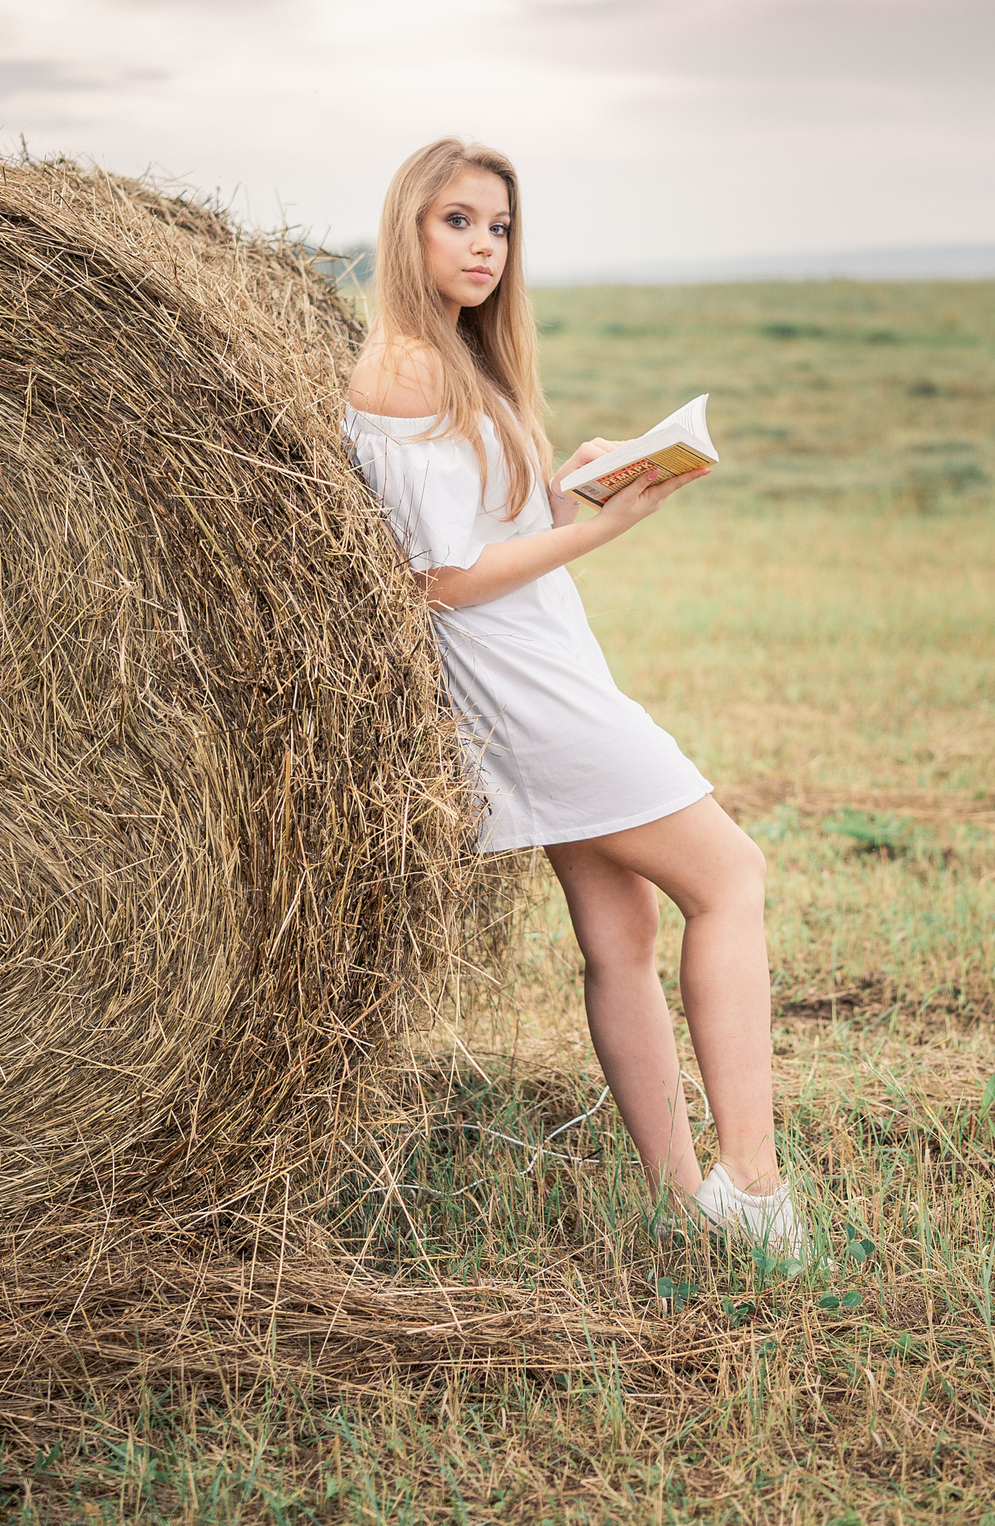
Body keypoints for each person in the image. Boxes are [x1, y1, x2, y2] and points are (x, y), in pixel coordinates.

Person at [342, 136, 805, 1260]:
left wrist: (573, 483)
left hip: (541, 660)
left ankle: (674, 1200)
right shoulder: (401, 365)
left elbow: (483, 526)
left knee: (622, 928)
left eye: (498, 227)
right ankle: (751, 1180)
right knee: (731, 875)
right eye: (456, 220)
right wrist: (594, 526)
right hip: (518, 680)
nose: (483, 246)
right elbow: (437, 576)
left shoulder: (461, 362)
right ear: (408, 228)